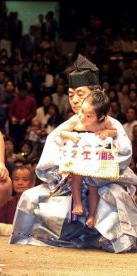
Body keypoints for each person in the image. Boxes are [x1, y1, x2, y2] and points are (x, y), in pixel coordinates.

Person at [10, 54, 137, 253]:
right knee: (30, 196)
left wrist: (95, 171)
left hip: (103, 182)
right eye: (70, 95)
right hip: (69, 185)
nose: (75, 100)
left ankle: (106, 238)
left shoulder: (111, 124)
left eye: (80, 93)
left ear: (95, 94)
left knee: (115, 196)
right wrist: (66, 171)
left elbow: (123, 156)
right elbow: (47, 164)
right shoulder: (64, 128)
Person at [60, 90, 117, 228]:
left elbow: (114, 131)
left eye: (88, 116)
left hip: (95, 157)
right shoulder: (75, 120)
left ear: (101, 117)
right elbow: (62, 132)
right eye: (82, 112)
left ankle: (92, 215)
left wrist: (106, 132)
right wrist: (70, 135)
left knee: (93, 186)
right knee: (76, 177)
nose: (83, 117)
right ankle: (78, 202)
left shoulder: (106, 121)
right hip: (78, 155)